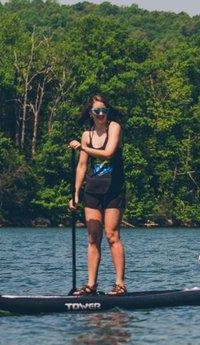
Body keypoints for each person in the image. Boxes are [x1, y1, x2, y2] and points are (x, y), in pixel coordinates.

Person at [68, 95, 126, 296]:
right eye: (96, 112)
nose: (101, 115)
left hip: (113, 189)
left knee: (112, 235)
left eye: (104, 111)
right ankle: (91, 285)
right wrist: (75, 194)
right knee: (93, 237)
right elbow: (82, 165)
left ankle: (119, 284)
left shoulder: (114, 127)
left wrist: (82, 147)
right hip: (92, 191)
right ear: (90, 114)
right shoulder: (87, 135)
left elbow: (109, 153)